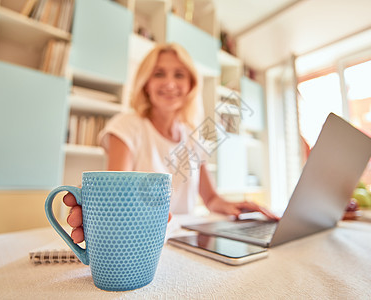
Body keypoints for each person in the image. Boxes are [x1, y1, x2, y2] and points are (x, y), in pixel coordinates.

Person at [65, 43, 278, 243]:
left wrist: (237, 207)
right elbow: (118, 194)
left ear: (190, 86)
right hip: (142, 238)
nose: (169, 83)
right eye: (159, 74)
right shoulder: (126, 126)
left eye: (179, 75)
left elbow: (211, 199)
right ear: (146, 84)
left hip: (184, 239)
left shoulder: (194, 137)